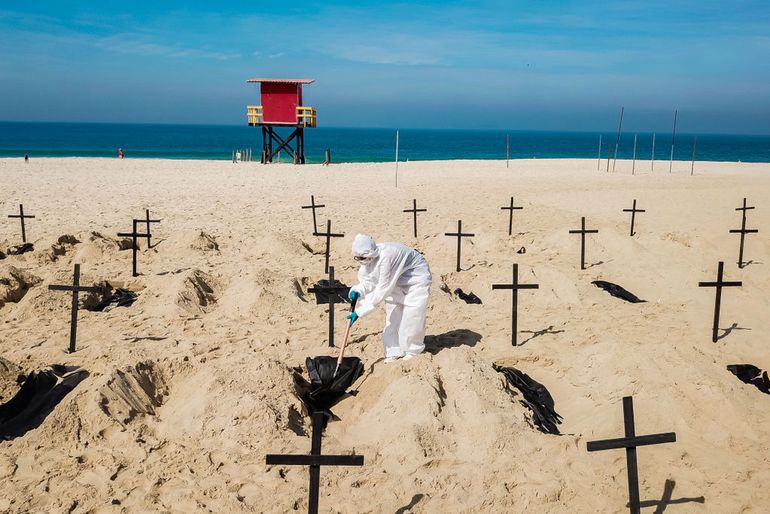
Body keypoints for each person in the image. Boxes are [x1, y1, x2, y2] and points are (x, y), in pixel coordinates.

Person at [347, 234, 432, 362]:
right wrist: (359, 290)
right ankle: (394, 351)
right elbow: (369, 279)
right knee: (393, 316)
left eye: (362, 258)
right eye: (357, 258)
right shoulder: (368, 258)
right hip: (396, 278)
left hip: (416, 278)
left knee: (412, 314)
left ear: (370, 254)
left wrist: (360, 311)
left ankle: (412, 351)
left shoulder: (386, 257)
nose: (360, 260)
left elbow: (383, 289)